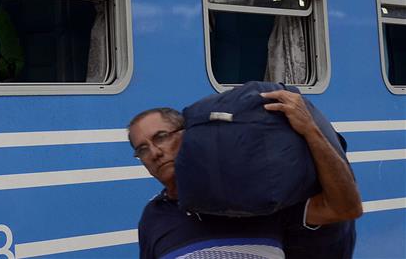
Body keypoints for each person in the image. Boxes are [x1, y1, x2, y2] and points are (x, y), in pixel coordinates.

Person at [129, 90, 362, 259]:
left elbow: (346, 208)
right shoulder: (154, 217)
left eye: (161, 137)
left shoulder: (251, 193)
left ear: (187, 134)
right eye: (142, 149)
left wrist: (310, 130)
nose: (155, 153)